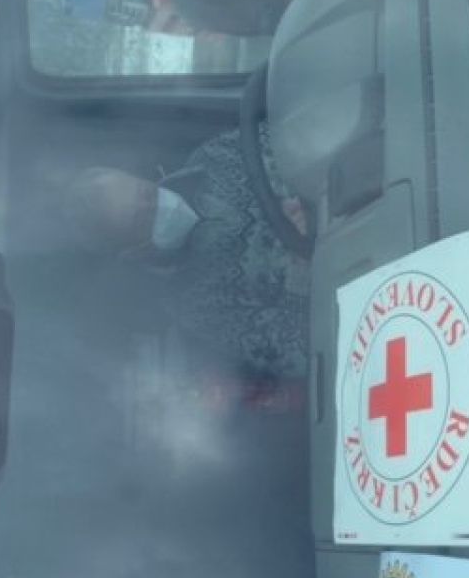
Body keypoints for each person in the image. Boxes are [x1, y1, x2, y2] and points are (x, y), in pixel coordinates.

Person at [67, 128, 310, 388]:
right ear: (133, 252)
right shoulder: (198, 306)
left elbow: (301, 130)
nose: (158, 206)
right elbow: (298, 353)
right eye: (142, 218)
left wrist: (300, 188)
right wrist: (301, 266)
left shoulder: (217, 155)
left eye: (146, 193)